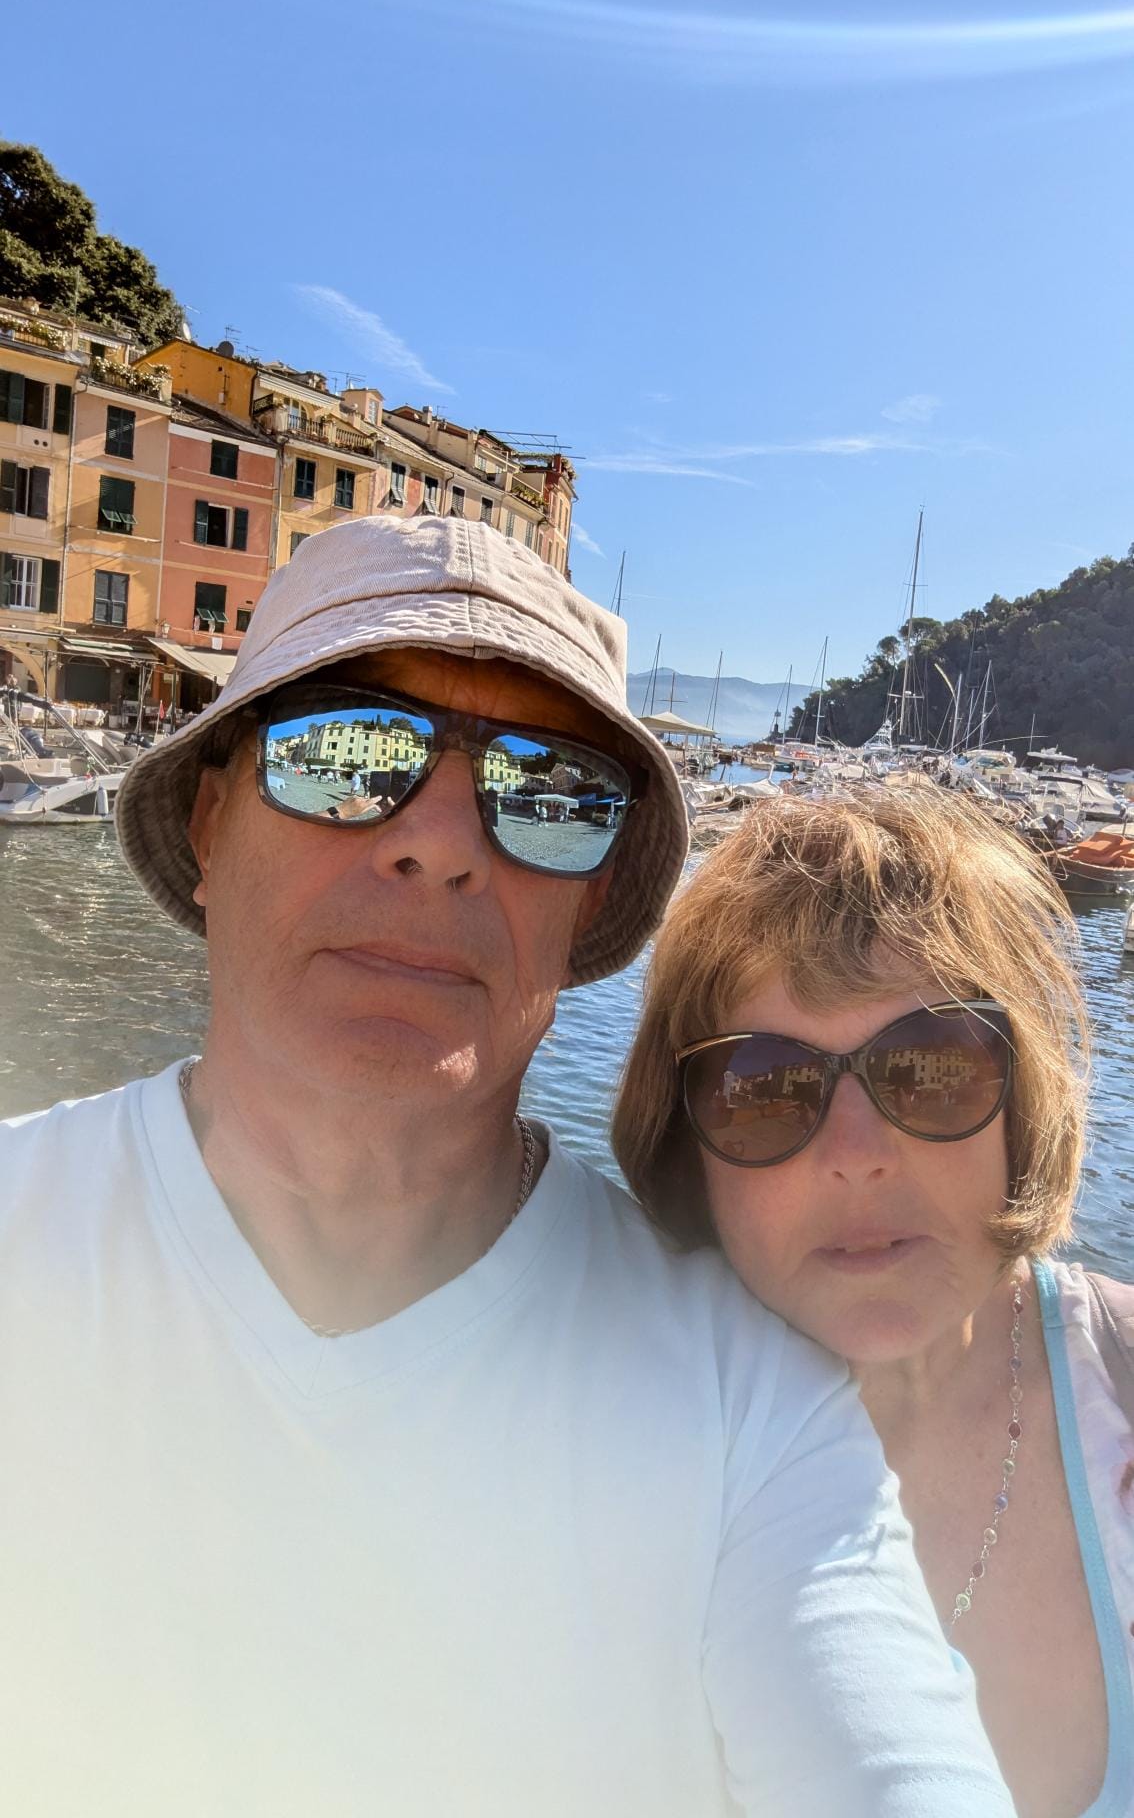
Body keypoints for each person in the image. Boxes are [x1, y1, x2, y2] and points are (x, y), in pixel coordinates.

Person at [0, 520, 1012, 1817]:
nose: (441, 843)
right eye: (345, 753)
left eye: (549, 794)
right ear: (210, 822)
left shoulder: (748, 1404)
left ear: (587, 905)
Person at [613, 786, 1134, 1818]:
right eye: (763, 1087)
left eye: (931, 1069)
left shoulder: (1120, 1383)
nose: (857, 1158)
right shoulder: (608, 1424)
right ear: (686, 1145)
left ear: (1023, 1099)